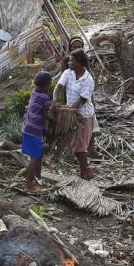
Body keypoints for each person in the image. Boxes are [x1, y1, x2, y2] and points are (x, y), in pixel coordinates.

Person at [53, 49, 97, 179]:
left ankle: (84, 172)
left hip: (84, 115)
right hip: (71, 113)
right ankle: (87, 169)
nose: (69, 63)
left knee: (80, 146)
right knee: (75, 145)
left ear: (79, 63)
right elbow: (58, 87)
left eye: (71, 60)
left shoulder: (88, 79)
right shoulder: (68, 73)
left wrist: (70, 108)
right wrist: (55, 100)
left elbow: (83, 100)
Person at [59, 36, 100, 158]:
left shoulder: (84, 61)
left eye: (79, 47)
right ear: (70, 48)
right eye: (74, 47)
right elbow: (62, 84)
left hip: (84, 98)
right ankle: (74, 150)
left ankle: (90, 149)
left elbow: (87, 81)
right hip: (71, 97)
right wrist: (62, 101)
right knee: (72, 126)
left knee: (91, 124)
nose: (76, 48)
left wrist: (88, 98)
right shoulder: (67, 62)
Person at [22, 71, 55, 192]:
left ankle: (37, 178)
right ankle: (28, 185)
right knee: (34, 158)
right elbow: (45, 114)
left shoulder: (35, 93)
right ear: (47, 84)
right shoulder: (45, 97)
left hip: (27, 128)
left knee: (38, 154)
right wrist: (53, 120)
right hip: (35, 130)